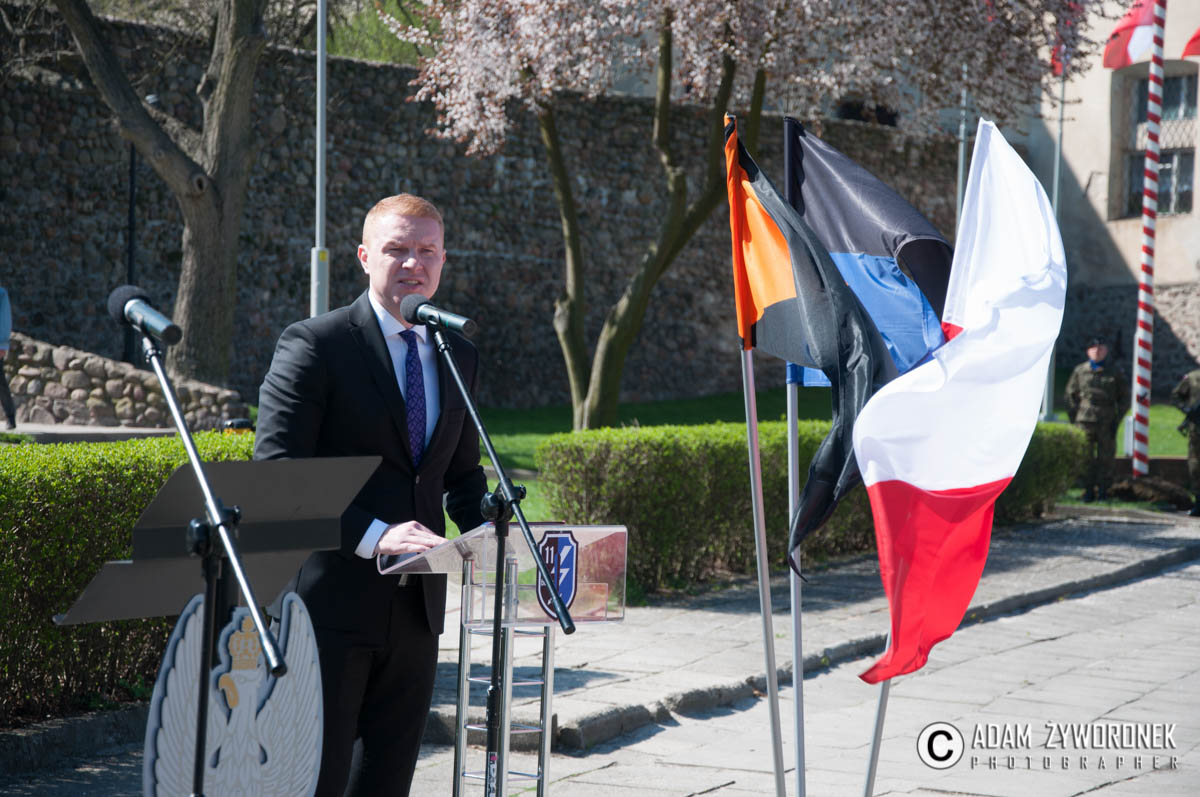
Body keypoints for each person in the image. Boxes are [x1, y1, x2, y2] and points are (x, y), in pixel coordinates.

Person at [254, 194, 487, 796]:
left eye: (427, 251)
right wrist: (375, 535)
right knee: (315, 782)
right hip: (327, 607)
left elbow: (460, 477)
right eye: (396, 249)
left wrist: (493, 531)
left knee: (386, 785)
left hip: (417, 615)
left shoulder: (457, 353)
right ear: (363, 257)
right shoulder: (316, 344)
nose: (413, 263)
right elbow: (276, 473)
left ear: (443, 260)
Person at [1064, 335, 1129, 502]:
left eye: (1101, 348)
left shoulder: (1114, 372)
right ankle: (1087, 490)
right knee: (1085, 456)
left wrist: (1117, 418)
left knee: (1106, 457)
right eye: (1094, 348)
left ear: (1106, 351)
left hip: (1106, 421)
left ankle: (1103, 490)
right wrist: (1075, 417)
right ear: (1088, 351)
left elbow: (1124, 397)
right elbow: (1070, 395)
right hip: (1084, 420)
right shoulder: (1080, 371)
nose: (1097, 351)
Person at [1170, 366, 1200, 517]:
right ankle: (1198, 501)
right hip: (1196, 429)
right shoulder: (1193, 377)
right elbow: (1176, 396)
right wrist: (1187, 409)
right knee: (1195, 465)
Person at [0, 285, 17, 430]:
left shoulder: (1, 293)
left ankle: (10, 417)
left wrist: (3, 344)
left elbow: (4, 320)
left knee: (0, 383)